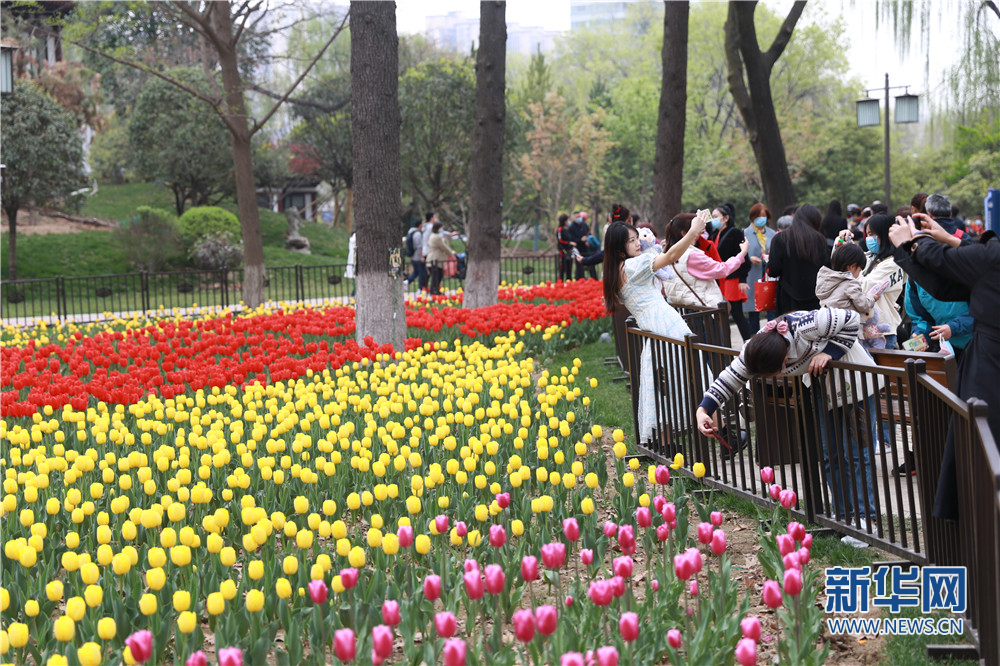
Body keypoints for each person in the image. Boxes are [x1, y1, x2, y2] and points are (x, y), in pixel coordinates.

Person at [696, 308, 878, 546]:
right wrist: (704, 410)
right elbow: (730, 378)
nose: (776, 376)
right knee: (830, 454)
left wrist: (830, 353)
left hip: (856, 381)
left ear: (782, 358)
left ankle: (866, 520)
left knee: (855, 452)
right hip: (824, 388)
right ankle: (842, 518)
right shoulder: (756, 349)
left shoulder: (807, 325)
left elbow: (852, 319)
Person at [888, 213, 1000, 522]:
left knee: (980, 448)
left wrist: (911, 243)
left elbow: (943, 262)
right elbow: (948, 278)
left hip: (988, 368)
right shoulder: (987, 259)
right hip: (979, 357)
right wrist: (948, 240)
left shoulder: (990, 259)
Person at [603, 211, 708, 443]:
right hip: (666, 323)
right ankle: (721, 432)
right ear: (620, 248)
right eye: (630, 241)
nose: (637, 242)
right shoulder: (633, 267)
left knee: (663, 388)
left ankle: (667, 445)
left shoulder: (617, 271)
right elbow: (670, 256)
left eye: (636, 237)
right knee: (695, 375)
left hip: (653, 328)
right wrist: (693, 231)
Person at [663, 213, 749, 310]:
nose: (702, 231)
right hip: (701, 309)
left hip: (683, 307)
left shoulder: (667, 254)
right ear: (684, 233)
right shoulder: (692, 255)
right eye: (697, 228)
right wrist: (742, 254)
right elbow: (721, 269)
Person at [767, 204, 830, 315]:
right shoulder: (820, 240)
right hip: (816, 298)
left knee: (789, 330)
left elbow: (773, 270)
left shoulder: (780, 239)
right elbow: (827, 268)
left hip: (788, 298)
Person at [713, 203, 752, 341]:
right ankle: (727, 346)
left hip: (732, 279)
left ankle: (749, 342)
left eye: (716, 216)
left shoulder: (735, 233)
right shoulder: (714, 234)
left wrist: (742, 279)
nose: (713, 220)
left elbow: (744, 258)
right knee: (723, 315)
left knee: (736, 313)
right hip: (719, 279)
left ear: (726, 218)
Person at [743, 203, 777, 334]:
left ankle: (772, 333)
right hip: (752, 273)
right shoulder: (745, 233)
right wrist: (749, 258)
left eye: (764, 216)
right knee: (754, 307)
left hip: (768, 272)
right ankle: (755, 337)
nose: (761, 219)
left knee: (771, 305)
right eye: (758, 216)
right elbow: (741, 253)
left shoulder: (772, 233)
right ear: (752, 217)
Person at [425, 221, 456, 296]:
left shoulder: (434, 235)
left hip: (434, 259)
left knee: (438, 275)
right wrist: (451, 254)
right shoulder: (436, 237)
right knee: (436, 276)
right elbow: (443, 247)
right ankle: (434, 291)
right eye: (441, 227)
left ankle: (435, 290)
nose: (442, 229)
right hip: (434, 260)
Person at [406, 218, 426, 290]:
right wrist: (422, 257)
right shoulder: (417, 234)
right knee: (422, 273)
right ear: (420, 225)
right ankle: (420, 289)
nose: (423, 225)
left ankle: (407, 282)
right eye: (423, 224)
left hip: (412, 256)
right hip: (417, 257)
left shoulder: (411, 232)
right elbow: (419, 247)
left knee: (417, 272)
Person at [556, 213, 574, 281]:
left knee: (569, 268)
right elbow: (560, 240)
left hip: (569, 252)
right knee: (562, 268)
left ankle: (569, 281)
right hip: (563, 252)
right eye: (567, 220)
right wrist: (569, 243)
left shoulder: (567, 230)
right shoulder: (560, 229)